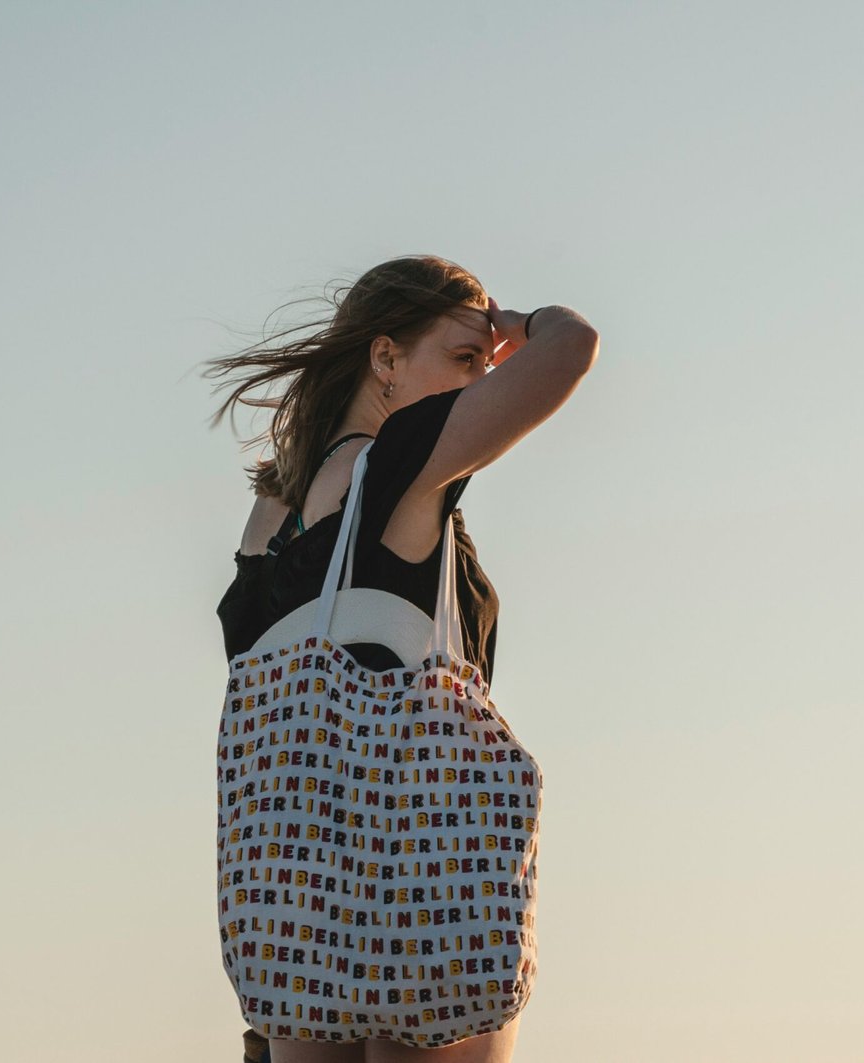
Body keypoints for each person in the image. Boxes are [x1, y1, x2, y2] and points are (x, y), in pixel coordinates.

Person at [202, 254, 599, 1063]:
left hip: (300, 903)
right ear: (384, 358)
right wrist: (516, 327)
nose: (475, 383)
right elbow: (575, 346)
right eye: (462, 359)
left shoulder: (268, 515)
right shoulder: (401, 471)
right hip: (423, 866)